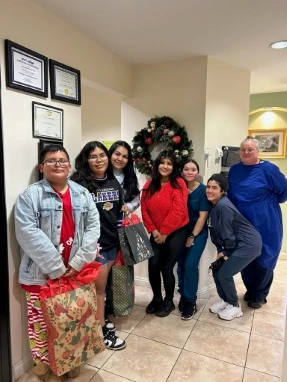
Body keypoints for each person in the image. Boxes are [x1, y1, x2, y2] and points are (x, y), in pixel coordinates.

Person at [15, 144, 100, 381]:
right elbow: (27, 233)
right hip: (40, 275)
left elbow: (94, 228)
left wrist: (79, 261)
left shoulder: (82, 193)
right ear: (42, 167)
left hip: (76, 273)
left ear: (70, 166)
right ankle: (44, 367)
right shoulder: (30, 195)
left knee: (73, 320)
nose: (58, 164)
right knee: (41, 325)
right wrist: (56, 267)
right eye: (51, 160)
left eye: (63, 160)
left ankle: (70, 360)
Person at [70, 141, 126, 350]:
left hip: (112, 243)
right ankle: (102, 332)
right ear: (86, 160)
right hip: (93, 247)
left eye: (102, 155)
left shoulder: (113, 182)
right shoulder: (78, 185)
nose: (99, 160)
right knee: (98, 290)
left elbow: (118, 213)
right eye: (93, 156)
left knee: (100, 290)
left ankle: (99, 321)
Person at [228, 137, 287, 309]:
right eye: (243, 149)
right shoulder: (235, 170)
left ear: (257, 151)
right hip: (242, 220)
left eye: (250, 149)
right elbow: (231, 194)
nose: (246, 153)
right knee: (246, 255)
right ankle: (250, 289)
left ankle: (260, 294)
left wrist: (265, 203)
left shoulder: (269, 169)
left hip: (266, 220)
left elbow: (284, 192)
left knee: (265, 255)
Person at [206, 174, 262, 321]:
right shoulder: (215, 206)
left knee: (225, 273)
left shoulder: (223, 206)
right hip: (238, 244)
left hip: (248, 244)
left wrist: (226, 252)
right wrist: (220, 250)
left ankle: (234, 306)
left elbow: (227, 233)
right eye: (208, 187)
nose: (210, 190)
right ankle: (225, 300)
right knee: (218, 269)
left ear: (223, 191)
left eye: (215, 188)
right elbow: (217, 232)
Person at [141, 150, 189, 317]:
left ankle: (169, 301)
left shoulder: (179, 183)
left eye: (169, 163)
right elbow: (144, 209)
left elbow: (179, 210)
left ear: (174, 166)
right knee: (153, 266)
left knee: (167, 267)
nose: (165, 166)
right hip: (155, 232)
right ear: (156, 165)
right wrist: (154, 231)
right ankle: (157, 298)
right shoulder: (149, 185)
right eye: (162, 163)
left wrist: (164, 232)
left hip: (176, 231)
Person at [105, 141, 140, 314]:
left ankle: (119, 305)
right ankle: (101, 305)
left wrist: (130, 207)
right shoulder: (100, 174)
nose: (120, 158)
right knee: (102, 269)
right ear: (110, 154)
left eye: (125, 156)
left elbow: (137, 198)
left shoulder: (129, 178)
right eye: (117, 154)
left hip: (123, 231)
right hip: (103, 231)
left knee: (121, 268)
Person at [177, 159, 210, 320]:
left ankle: (191, 301)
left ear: (197, 173)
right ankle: (183, 295)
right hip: (180, 232)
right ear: (182, 171)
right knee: (181, 266)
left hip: (198, 233)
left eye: (193, 169)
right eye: (186, 169)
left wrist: (192, 236)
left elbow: (202, 217)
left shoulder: (203, 191)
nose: (190, 172)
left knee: (190, 265)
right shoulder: (178, 189)